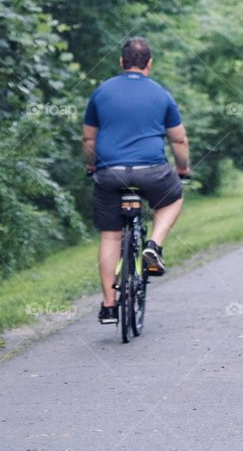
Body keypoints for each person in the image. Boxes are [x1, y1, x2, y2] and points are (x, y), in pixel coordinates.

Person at [82, 37, 191, 325]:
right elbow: (178, 139)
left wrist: (91, 164)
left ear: (121, 62)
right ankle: (153, 245)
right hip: (152, 171)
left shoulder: (101, 92)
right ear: (149, 64)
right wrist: (182, 169)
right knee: (173, 198)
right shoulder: (161, 94)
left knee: (110, 236)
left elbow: (89, 138)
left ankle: (109, 305)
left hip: (110, 173)